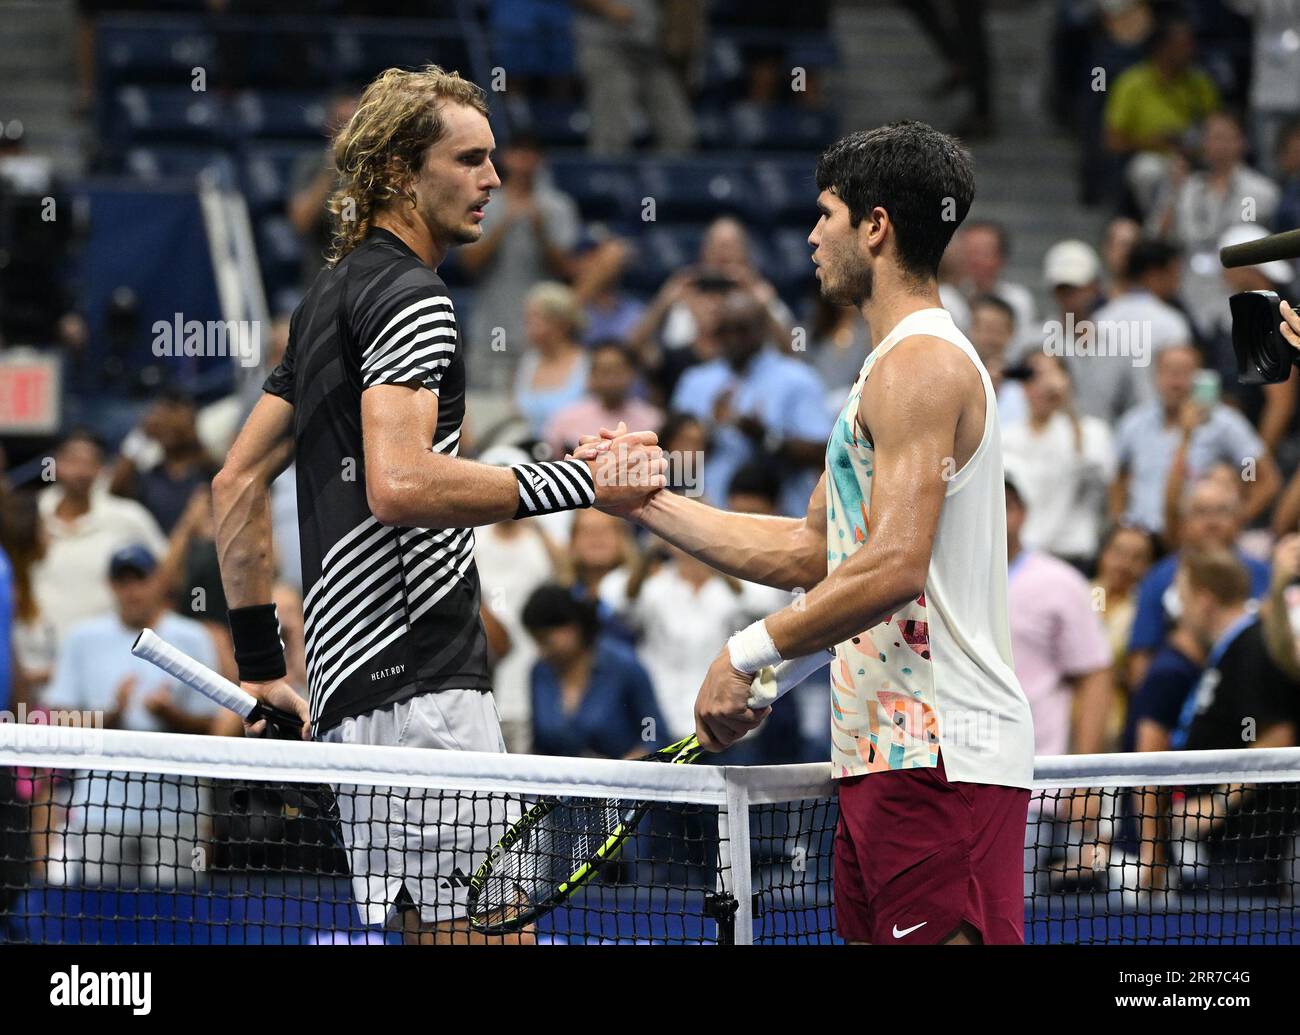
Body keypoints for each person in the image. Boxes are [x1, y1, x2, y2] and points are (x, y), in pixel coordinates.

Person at [210, 66, 665, 946]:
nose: (495, 179)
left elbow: (234, 483)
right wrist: (582, 480)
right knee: (495, 938)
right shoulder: (417, 296)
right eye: (471, 159)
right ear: (398, 174)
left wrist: (265, 664)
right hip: (427, 700)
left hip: (351, 707)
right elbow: (402, 483)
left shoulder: (324, 302)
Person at [579, 122, 1035, 944]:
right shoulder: (882, 370)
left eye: (826, 213)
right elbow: (810, 552)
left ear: (876, 225)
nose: (812, 234)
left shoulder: (921, 366)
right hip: (880, 756)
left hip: (940, 757)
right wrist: (645, 503)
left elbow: (894, 567)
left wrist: (746, 652)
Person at [38, 544, 222, 887]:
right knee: (96, 920)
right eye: (122, 581)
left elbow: (214, 727)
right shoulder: (82, 637)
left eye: (139, 579)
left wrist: (171, 715)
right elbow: (59, 719)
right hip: (99, 809)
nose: (131, 590)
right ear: (111, 586)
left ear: (158, 581)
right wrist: (113, 715)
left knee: (175, 922)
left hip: (176, 810)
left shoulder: (193, 638)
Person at [671, 290, 831, 517]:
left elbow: (822, 452)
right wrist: (708, 432)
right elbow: (674, 455)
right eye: (725, 330)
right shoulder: (696, 380)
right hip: (708, 513)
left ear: (763, 329)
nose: (733, 339)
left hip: (780, 515)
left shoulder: (797, 378)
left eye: (742, 330)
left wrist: (766, 437)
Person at [1112, 342, 1279, 536]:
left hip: (1196, 538)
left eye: (1184, 372)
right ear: (1155, 376)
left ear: (1200, 377)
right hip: (1141, 538)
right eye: (1169, 371)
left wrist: (1234, 519)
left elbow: (1263, 477)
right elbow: (1117, 477)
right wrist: (1120, 521)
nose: (1176, 381)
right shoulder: (1134, 422)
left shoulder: (1223, 422)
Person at [1125, 474, 1271, 690]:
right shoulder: (1159, 577)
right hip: (1179, 700)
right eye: (1201, 512)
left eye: (1222, 512)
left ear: (1239, 520)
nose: (1212, 522)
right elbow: (1140, 658)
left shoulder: (1264, 574)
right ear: (1184, 524)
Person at [458, 132, 581, 388]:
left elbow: (567, 271)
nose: (524, 162)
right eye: (519, 154)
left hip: (542, 337)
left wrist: (541, 233)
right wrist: (504, 224)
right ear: (507, 158)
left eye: (531, 155)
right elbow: (469, 265)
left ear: (540, 160)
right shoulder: (483, 202)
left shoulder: (557, 207)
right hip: (491, 331)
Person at [33, 427, 168, 649]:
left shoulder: (128, 516)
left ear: (101, 470)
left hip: (107, 654)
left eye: (90, 462)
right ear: (54, 464)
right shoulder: (31, 516)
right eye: (73, 460)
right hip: (37, 658)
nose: (81, 471)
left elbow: (164, 571)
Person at [1001, 352, 1115, 569]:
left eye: (1051, 375)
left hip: (1071, 554)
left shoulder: (1091, 431)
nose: (1044, 386)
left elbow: (1099, 478)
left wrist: (1068, 407)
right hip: (1019, 555)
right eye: (1035, 376)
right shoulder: (1006, 437)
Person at [522, 584, 663, 759]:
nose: (542, 651)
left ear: (572, 628)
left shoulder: (624, 666)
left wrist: (632, 764)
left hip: (620, 779)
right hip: (560, 781)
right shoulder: (540, 672)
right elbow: (540, 743)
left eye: (546, 641)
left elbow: (653, 732)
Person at [544, 340, 663, 459]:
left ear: (632, 374)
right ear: (591, 375)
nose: (610, 378)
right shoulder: (566, 419)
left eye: (617, 371)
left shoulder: (652, 421)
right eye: (604, 371)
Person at [511, 281, 591, 439]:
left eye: (534, 319)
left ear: (561, 323)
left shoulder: (586, 364)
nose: (527, 327)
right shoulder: (528, 362)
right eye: (526, 320)